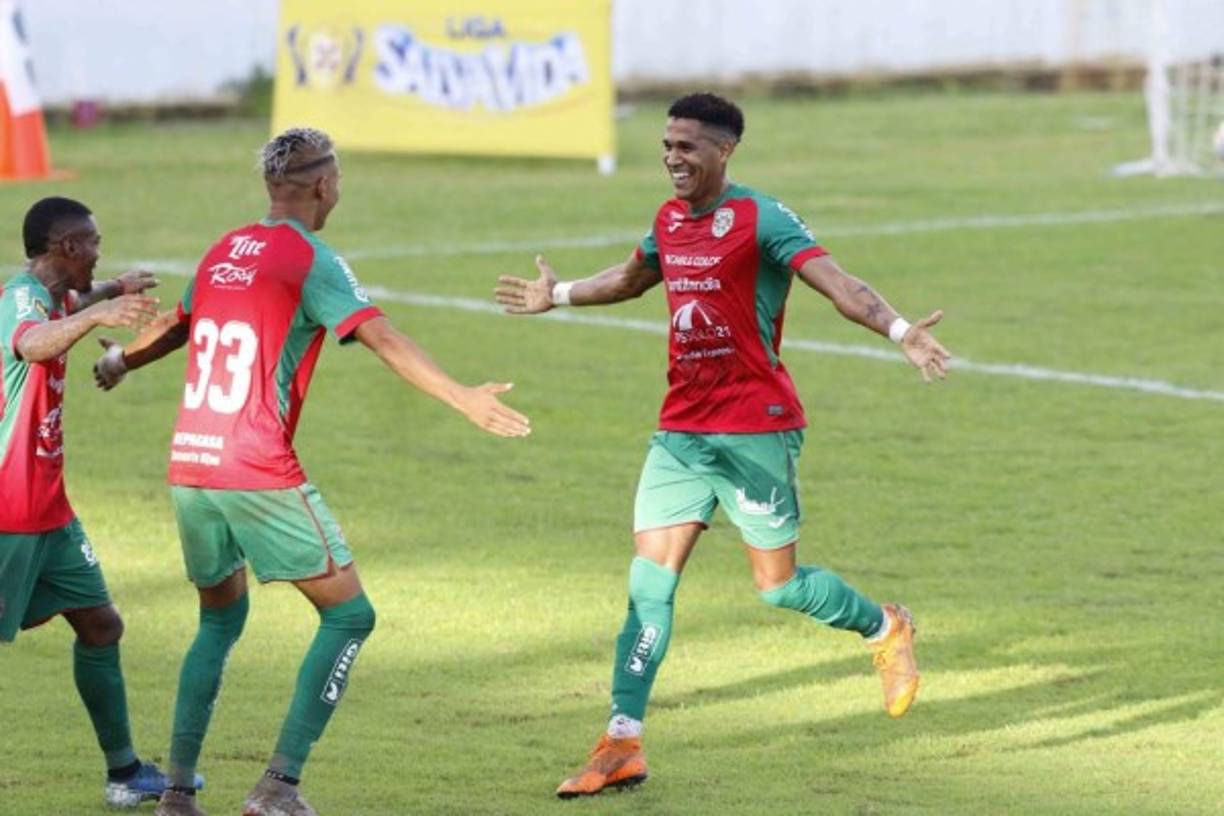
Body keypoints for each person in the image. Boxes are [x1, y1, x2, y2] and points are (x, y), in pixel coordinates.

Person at [495, 93, 951, 798]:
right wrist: (557, 297)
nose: (673, 158)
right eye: (667, 145)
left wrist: (900, 332)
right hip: (681, 431)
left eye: (687, 147)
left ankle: (885, 625)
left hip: (755, 427)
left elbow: (840, 286)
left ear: (724, 151)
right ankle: (621, 741)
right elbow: (632, 277)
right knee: (649, 586)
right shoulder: (669, 220)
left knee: (778, 589)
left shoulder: (761, 217)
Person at [93, 127, 532, 816]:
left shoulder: (222, 250)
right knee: (350, 615)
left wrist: (120, 362)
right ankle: (278, 787)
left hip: (191, 465)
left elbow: (179, 323)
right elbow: (381, 335)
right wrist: (463, 397)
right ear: (326, 185)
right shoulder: (311, 259)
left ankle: (177, 794)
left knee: (219, 617)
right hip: (255, 466)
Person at [0, 196, 204, 807]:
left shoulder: (52, 292)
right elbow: (33, 343)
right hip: (9, 509)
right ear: (65, 248)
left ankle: (123, 773)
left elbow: (67, 306)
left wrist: (114, 290)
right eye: (92, 242)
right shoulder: (19, 300)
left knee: (100, 624)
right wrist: (101, 313)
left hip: (50, 510)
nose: (98, 249)